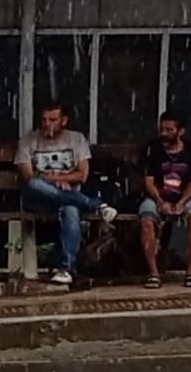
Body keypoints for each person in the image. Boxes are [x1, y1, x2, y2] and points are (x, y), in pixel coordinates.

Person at [15, 101, 118, 285]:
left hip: (67, 198)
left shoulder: (76, 139)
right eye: (44, 120)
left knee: (70, 209)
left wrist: (55, 179)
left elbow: (82, 175)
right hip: (39, 198)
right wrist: (58, 181)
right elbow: (28, 177)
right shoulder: (28, 141)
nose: (47, 124)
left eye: (52, 119)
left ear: (64, 120)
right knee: (35, 185)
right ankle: (95, 204)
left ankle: (66, 269)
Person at [139, 111, 191, 289]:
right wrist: (161, 202)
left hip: (185, 197)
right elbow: (149, 182)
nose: (164, 133)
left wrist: (181, 203)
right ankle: (153, 273)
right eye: (162, 129)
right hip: (156, 197)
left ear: (180, 131)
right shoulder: (152, 149)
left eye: (169, 130)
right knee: (146, 220)